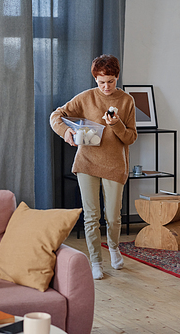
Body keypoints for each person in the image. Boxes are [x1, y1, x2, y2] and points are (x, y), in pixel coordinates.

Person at [49, 54, 137, 280]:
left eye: (110, 81)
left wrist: (116, 125)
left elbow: (131, 138)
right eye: (101, 82)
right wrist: (66, 131)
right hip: (86, 162)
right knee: (91, 216)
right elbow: (56, 115)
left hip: (115, 164)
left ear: (117, 77)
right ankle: (96, 261)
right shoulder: (85, 98)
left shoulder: (126, 101)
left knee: (114, 216)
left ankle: (115, 249)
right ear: (95, 79)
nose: (106, 87)